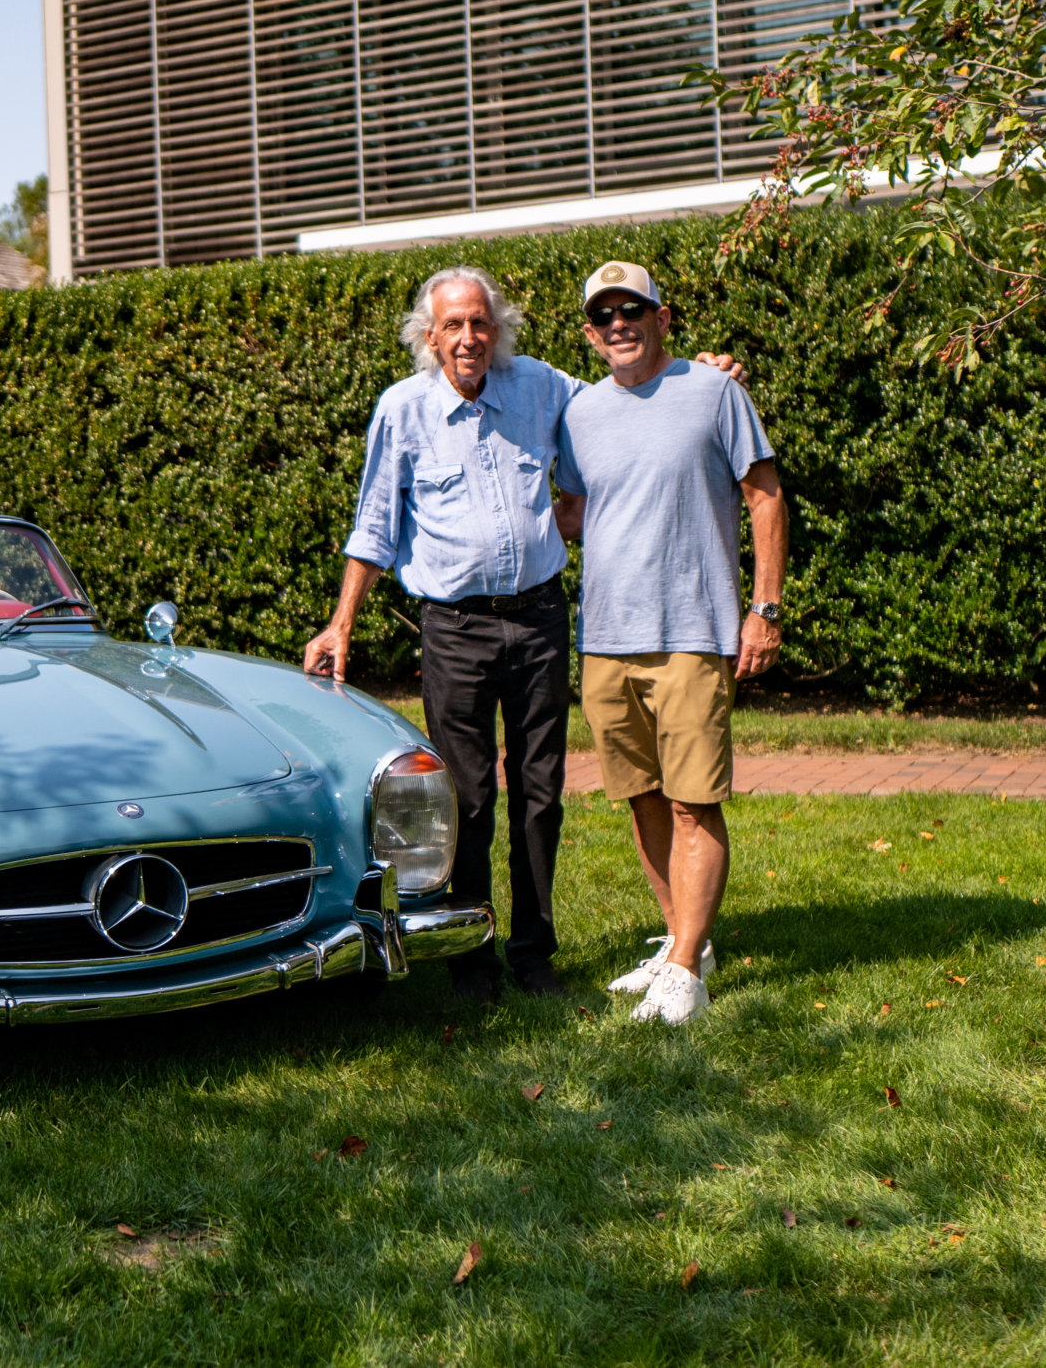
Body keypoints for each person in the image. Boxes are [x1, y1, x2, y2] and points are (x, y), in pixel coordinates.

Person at [304, 269, 746, 1005]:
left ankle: (534, 954)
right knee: (470, 800)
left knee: (540, 796)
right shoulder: (402, 411)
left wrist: (702, 376)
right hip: (456, 629)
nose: (469, 338)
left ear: (497, 330)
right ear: (428, 336)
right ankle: (473, 960)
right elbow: (375, 526)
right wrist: (340, 620)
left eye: (479, 323)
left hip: (540, 618)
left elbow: (632, 388)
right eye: (452, 326)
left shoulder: (545, 387)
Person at [555, 259, 785, 1028]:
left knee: (694, 803)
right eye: (605, 316)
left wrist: (765, 609)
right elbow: (579, 512)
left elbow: (765, 498)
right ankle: (687, 939)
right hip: (606, 641)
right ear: (590, 335)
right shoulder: (580, 414)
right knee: (642, 797)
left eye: (633, 310)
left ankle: (684, 968)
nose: (620, 324)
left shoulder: (716, 391)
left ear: (662, 318)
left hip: (691, 631)